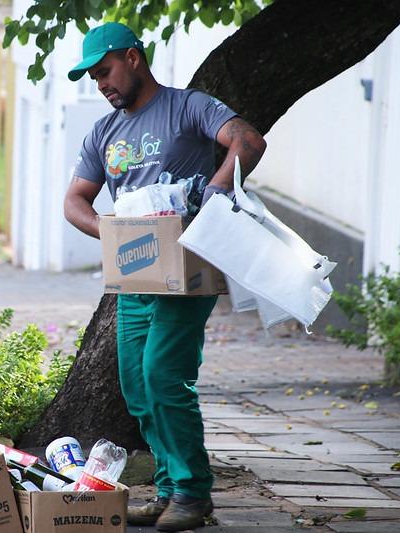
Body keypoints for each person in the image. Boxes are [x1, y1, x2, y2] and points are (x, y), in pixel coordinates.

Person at [64, 22, 266, 532]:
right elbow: (74, 202)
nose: (101, 84)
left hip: (185, 268)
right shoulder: (103, 132)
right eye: (93, 77)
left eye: (105, 71)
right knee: (135, 384)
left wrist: (216, 194)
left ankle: (194, 494)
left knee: (162, 375)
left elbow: (247, 140)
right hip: (134, 274)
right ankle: (169, 488)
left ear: (133, 58)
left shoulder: (188, 106)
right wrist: (109, 231)